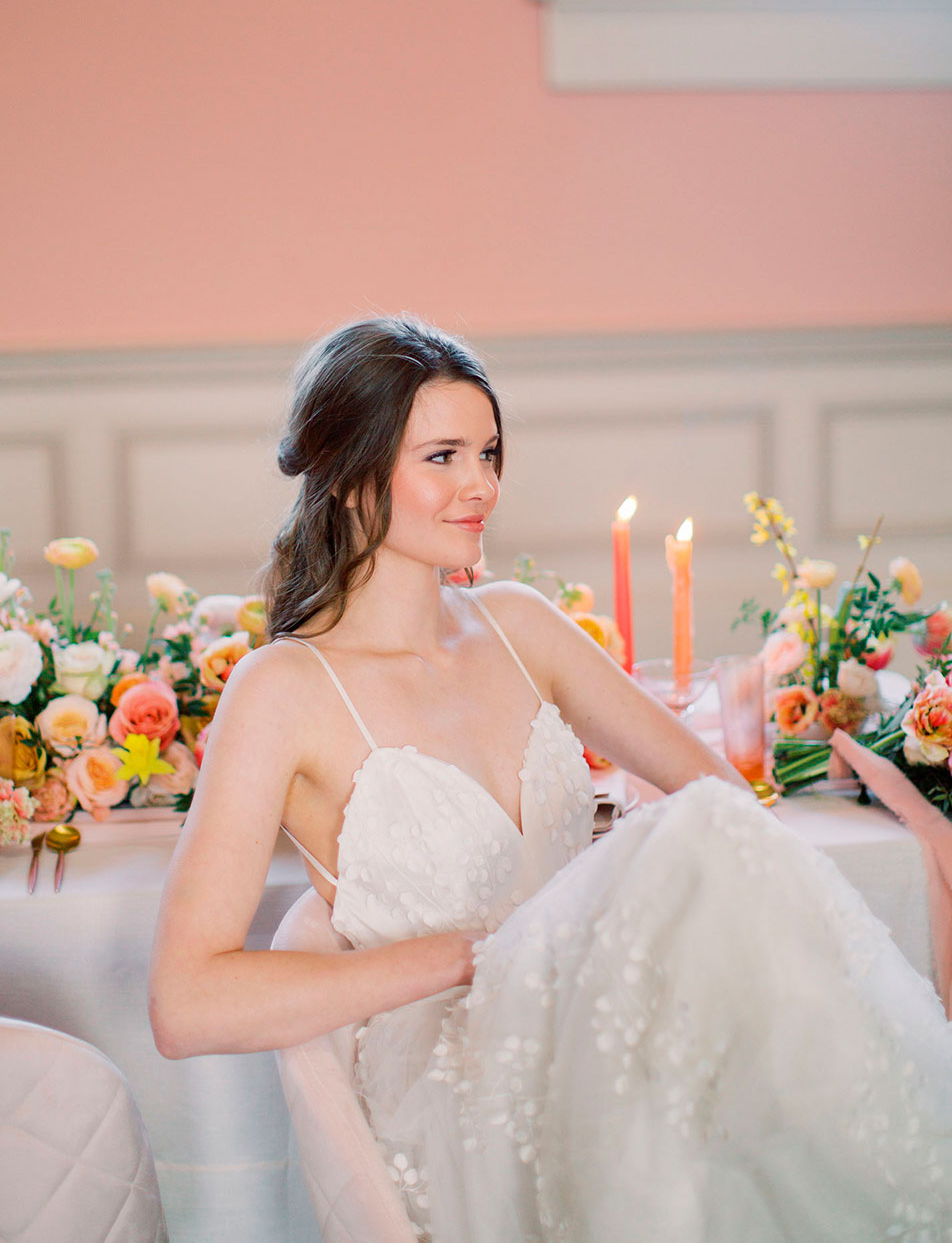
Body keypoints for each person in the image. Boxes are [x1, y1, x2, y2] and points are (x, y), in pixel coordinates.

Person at [150, 315, 952, 1241]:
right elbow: (185, 1002)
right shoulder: (281, 689)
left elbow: (721, 806)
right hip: (462, 1070)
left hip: (596, 1006)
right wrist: (471, 952)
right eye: (443, 457)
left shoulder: (518, 624)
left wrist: (620, 902)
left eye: (488, 453)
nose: (481, 485)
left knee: (717, 876)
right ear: (352, 475)